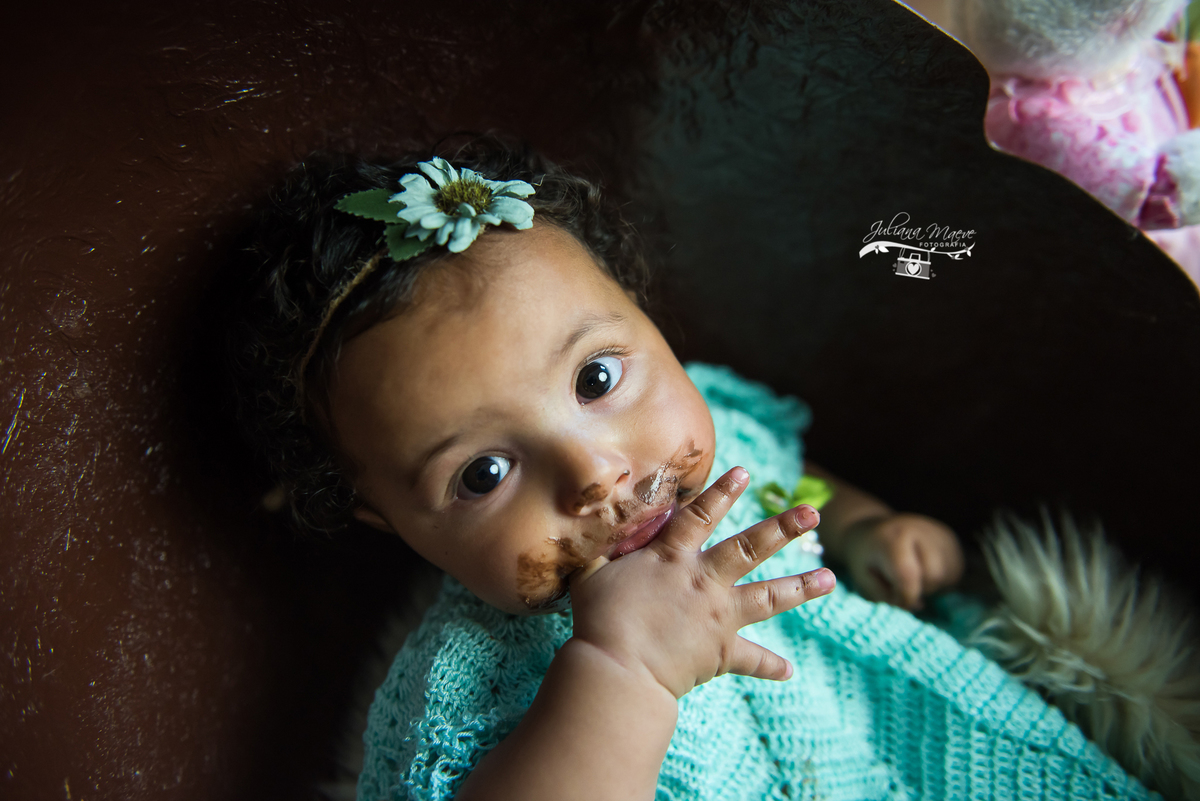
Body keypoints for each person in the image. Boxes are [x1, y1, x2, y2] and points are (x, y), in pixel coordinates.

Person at [228, 140, 1152, 800]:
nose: (596, 472)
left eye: (596, 377)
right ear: (393, 522)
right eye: (483, 473)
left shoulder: (712, 443)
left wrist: (866, 526)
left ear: (647, 315)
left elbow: (795, 475)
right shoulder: (470, 687)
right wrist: (619, 666)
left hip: (901, 741)